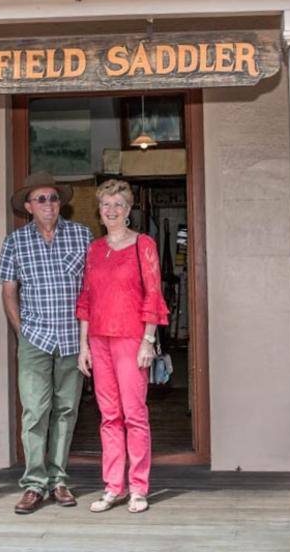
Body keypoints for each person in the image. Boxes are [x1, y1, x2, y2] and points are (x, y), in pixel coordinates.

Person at [0, 171, 93, 514]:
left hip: (72, 339)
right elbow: (9, 291)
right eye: (41, 199)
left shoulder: (82, 235)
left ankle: (59, 480)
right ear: (28, 206)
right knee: (35, 412)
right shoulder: (14, 242)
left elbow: (92, 290)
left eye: (53, 198)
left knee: (67, 411)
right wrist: (21, 331)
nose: (49, 204)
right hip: (34, 338)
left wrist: (88, 337)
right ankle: (35, 483)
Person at [76, 179, 169, 514]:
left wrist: (148, 340)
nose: (111, 211)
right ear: (99, 211)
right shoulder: (95, 249)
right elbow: (86, 298)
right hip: (99, 339)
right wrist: (83, 345)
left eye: (118, 205)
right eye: (106, 205)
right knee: (109, 416)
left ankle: (138, 488)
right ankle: (113, 486)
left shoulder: (142, 244)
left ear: (129, 210)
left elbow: (154, 295)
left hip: (131, 339)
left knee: (134, 414)